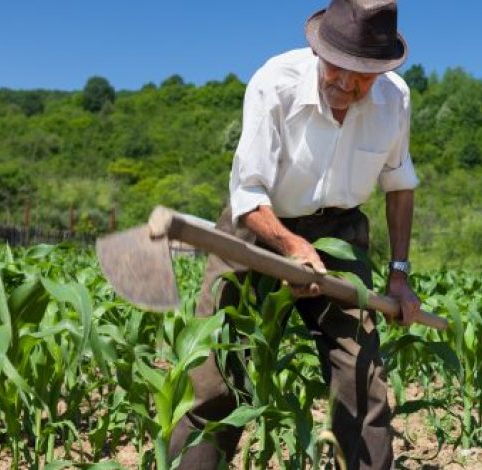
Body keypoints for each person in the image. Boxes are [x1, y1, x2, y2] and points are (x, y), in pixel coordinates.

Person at [168, 1, 421, 468]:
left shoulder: (395, 99)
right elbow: (247, 193)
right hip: (257, 228)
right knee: (219, 379)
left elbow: (399, 186)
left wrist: (399, 274)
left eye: (361, 75)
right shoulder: (275, 83)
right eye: (337, 68)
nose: (346, 84)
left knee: (361, 378)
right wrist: (289, 245)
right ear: (319, 50)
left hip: (339, 232)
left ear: (382, 70)